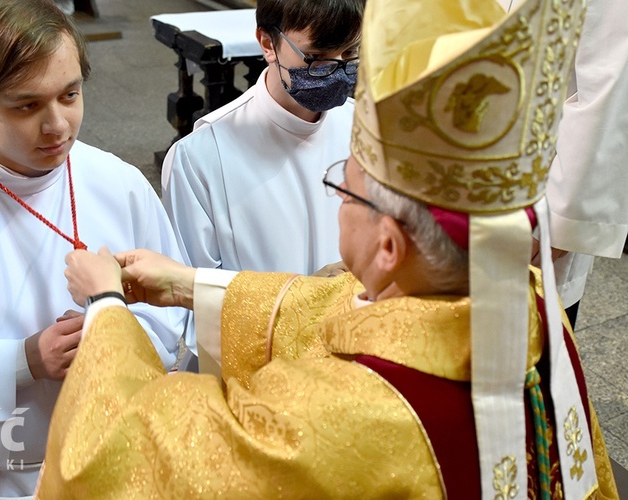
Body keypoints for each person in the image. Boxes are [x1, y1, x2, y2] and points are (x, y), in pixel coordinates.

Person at [37, 0, 619, 497]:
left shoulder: (341, 415)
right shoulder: (530, 307)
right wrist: (189, 285)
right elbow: (344, 309)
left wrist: (109, 309)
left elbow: (114, 459)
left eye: (345, 184)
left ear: (389, 245)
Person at [0, 0, 187, 498]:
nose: (58, 125)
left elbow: (176, 323)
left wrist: (114, 334)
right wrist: (21, 363)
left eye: (70, 94)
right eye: (27, 105)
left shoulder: (120, 185)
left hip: (116, 466)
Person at [161, 0, 364, 277]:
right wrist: (300, 298)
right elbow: (192, 291)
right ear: (268, 43)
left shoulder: (363, 127)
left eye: (350, 52)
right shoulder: (201, 156)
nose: (337, 70)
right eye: (316, 56)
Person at [511, 0, 628, 329]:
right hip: (453, 163)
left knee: (522, 342)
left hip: (533, 187)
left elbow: (609, 88)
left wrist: (554, 227)